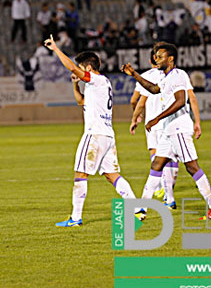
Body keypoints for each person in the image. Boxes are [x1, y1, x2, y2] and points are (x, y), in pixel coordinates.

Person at [43, 37, 139, 227]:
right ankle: (136, 208)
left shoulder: (96, 79)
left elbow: (72, 67)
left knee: (80, 173)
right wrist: (75, 85)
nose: (78, 71)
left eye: (81, 68)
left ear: (87, 68)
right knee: (112, 175)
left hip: (95, 134)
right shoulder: (101, 83)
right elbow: (81, 102)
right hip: (107, 136)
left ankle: (75, 218)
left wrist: (56, 49)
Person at [122, 42, 211, 220]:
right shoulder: (165, 77)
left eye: (160, 57)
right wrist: (134, 75)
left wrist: (156, 118)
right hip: (169, 129)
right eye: (156, 57)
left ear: (171, 59)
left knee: (192, 167)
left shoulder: (177, 75)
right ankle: (142, 208)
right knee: (156, 165)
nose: (157, 59)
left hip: (178, 127)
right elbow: (153, 89)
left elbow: (180, 101)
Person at [129, 47, 189, 209]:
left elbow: (138, 101)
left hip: (155, 122)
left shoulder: (148, 76)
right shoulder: (170, 75)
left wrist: (136, 117)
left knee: (157, 157)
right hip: (169, 122)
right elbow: (190, 98)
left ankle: (161, 190)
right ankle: (168, 195)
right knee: (171, 159)